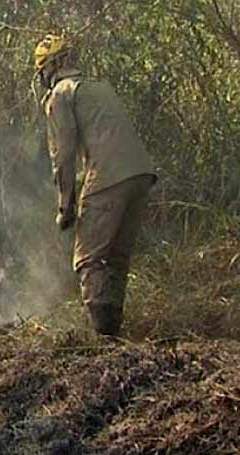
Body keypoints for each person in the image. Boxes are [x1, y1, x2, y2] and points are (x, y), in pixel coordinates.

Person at [34, 35, 157, 337]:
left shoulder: (60, 94)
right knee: (115, 257)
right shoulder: (101, 88)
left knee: (88, 258)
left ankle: (102, 338)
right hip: (141, 174)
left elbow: (63, 156)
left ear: (51, 67)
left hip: (109, 176)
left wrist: (65, 206)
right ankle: (115, 332)